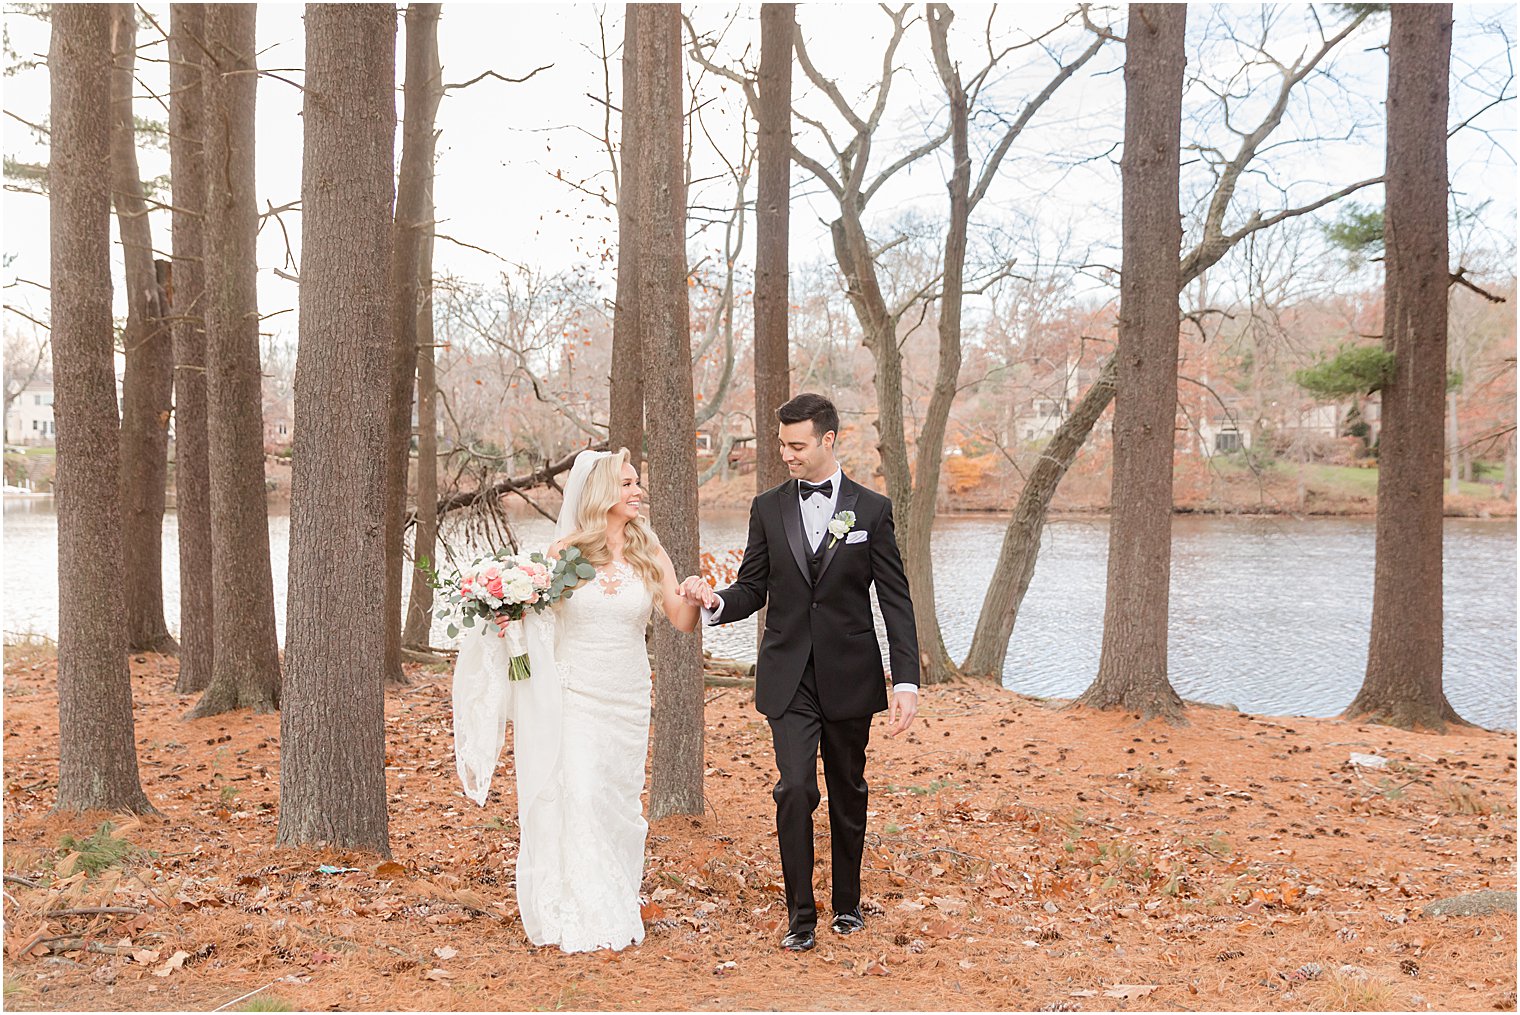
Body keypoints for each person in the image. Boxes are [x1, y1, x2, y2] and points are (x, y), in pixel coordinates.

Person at [677, 392, 920, 952]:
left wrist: (904, 680)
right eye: (781, 444)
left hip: (851, 675)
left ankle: (848, 905)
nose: (786, 454)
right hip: (788, 676)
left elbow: (896, 601)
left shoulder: (873, 510)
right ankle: (800, 917)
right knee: (794, 789)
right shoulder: (768, 507)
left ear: (828, 440)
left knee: (848, 790)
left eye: (796, 444)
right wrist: (716, 602)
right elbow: (752, 586)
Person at [451, 448, 699, 953]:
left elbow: (678, 619)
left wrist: (693, 595)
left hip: (628, 695)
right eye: (626, 484)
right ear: (601, 491)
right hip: (575, 694)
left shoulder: (649, 549)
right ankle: (582, 911)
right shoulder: (565, 553)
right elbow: (534, 619)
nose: (637, 491)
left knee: (616, 802)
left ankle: (616, 896)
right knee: (580, 793)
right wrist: (506, 613)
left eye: (637, 483)